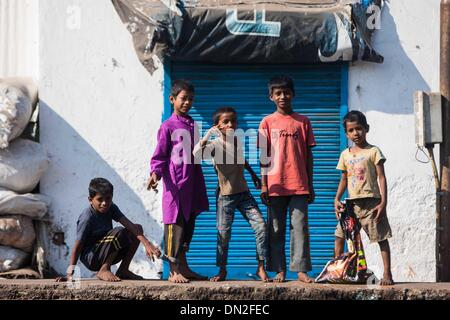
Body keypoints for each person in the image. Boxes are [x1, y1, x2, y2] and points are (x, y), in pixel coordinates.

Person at [193, 107, 270, 282]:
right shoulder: (214, 145)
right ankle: (222, 270)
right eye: (226, 121)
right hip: (225, 198)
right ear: (217, 126)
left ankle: (260, 267)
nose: (230, 124)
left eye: (233, 121)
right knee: (223, 234)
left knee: (261, 227)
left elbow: (241, 159)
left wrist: (253, 175)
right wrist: (207, 135)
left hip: (244, 194)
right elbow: (196, 153)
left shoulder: (237, 141)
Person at [147, 79, 209, 283]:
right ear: (172, 99)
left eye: (191, 99)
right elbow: (160, 155)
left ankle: (185, 267)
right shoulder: (168, 126)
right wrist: (155, 173)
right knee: (175, 225)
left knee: (189, 225)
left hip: (193, 183)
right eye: (183, 98)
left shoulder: (193, 125)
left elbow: (197, 154)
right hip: (175, 184)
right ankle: (174, 271)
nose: (187, 102)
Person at [258, 76, 316, 283]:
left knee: (300, 228)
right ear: (271, 97)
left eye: (286, 92)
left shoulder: (303, 121)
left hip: (299, 184)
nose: (283, 96)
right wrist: (264, 184)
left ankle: (300, 270)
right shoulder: (266, 122)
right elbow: (264, 156)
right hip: (274, 185)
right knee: (275, 229)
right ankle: (279, 270)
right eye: (278, 93)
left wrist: (311, 184)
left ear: (293, 94)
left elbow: (309, 156)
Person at [59, 177, 161, 282]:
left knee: (137, 228)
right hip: (92, 257)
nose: (104, 203)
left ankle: (123, 269)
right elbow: (78, 246)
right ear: (90, 200)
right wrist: (69, 274)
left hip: (108, 249)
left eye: (108, 198)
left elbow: (129, 225)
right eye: (100, 199)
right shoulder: (87, 217)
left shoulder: (111, 207)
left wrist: (147, 244)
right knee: (119, 231)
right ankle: (104, 269)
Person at [334, 110, 394, 286]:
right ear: (346, 133)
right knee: (339, 236)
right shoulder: (345, 154)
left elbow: (381, 177)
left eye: (359, 129)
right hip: (351, 205)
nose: (355, 133)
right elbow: (344, 179)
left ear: (366, 128)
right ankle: (338, 271)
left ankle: (387, 274)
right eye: (351, 130)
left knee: (381, 238)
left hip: (372, 204)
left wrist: (383, 202)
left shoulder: (373, 151)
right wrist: (337, 198)